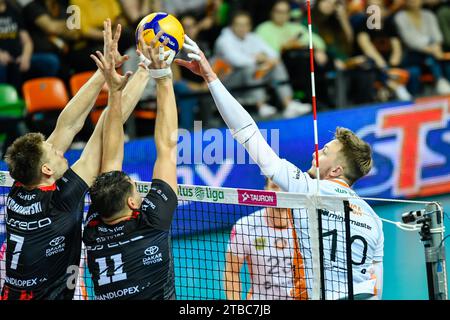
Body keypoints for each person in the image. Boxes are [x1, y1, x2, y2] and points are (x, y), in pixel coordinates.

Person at [175, 37, 384, 300]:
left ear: (336, 171)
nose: (315, 152)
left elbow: (247, 133)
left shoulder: (309, 190)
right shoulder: (373, 219)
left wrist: (210, 77)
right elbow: (376, 289)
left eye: (325, 152)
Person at [0, 20, 149, 300]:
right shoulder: (62, 200)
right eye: (54, 152)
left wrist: (104, 70)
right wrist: (147, 70)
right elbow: (104, 133)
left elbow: (67, 125)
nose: (61, 150)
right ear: (46, 170)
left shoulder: (20, 187)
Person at [82, 33, 179, 300]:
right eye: (135, 189)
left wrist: (116, 94)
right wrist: (165, 76)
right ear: (134, 204)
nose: (138, 191)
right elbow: (167, 148)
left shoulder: (93, 229)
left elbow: (113, 155)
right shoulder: (150, 223)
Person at [214, 11, 311, 119]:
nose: (242, 28)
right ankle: (261, 106)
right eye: (239, 24)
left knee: (276, 65)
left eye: (245, 25)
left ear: (250, 26)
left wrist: (267, 60)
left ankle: (288, 104)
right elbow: (237, 61)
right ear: (232, 26)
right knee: (250, 68)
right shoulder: (223, 40)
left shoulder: (253, 37)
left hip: (253, 74)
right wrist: (258, 59)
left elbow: (273, 54)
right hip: (228, 80)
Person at [224, 178, 307, 300]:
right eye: (274, 186)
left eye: (284, 187)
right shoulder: (245, 227)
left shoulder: (306, 225)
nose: (280, 192)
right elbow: (231, 272)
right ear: (265, 191)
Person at [394, 0, 450, 94]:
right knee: (430, 58)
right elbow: (410, 41)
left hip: (433, 50)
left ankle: (442, 82)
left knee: (444, 59)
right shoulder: (400, 17)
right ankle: (439, 79)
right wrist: (431, 49)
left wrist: (436, 47)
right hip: (412, 55)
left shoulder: (429, 15)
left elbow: (437, 36)